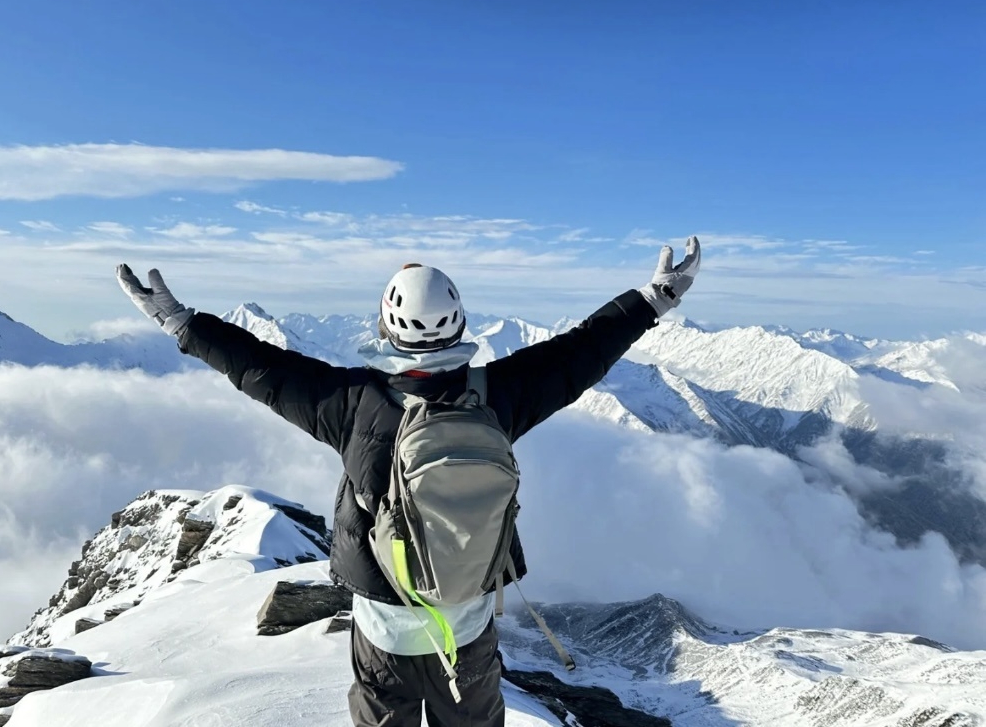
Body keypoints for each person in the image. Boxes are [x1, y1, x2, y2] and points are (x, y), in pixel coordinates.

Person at [116, 237, 701, 727]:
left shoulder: (353, 404)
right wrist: (655, 298)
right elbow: (581, 353)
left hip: (386, 632)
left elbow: (261, 369)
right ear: (461, 325)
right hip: (468, 629)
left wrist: (179, 321)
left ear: (386, 328)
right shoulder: (500, 395)